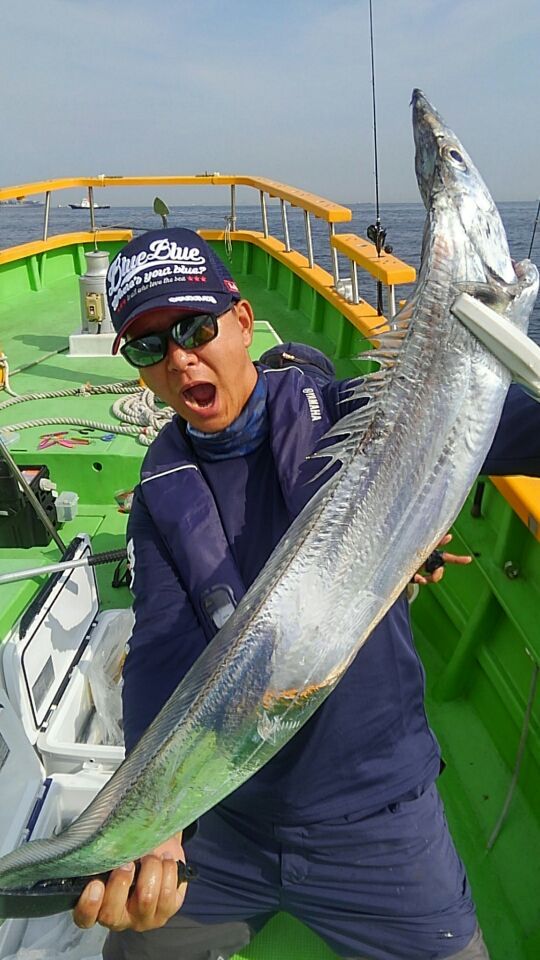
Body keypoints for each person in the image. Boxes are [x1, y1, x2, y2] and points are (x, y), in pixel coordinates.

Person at [74, 228, 540, 960]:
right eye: (148, 346)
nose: (179, 358)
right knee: (132, 952)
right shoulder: (162, 494)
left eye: (195, 329)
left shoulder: (360, 419)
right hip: (231, 823)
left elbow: (515, 429)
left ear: (243, 321)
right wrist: (158, 824)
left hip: (379, 819)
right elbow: (161, 654)